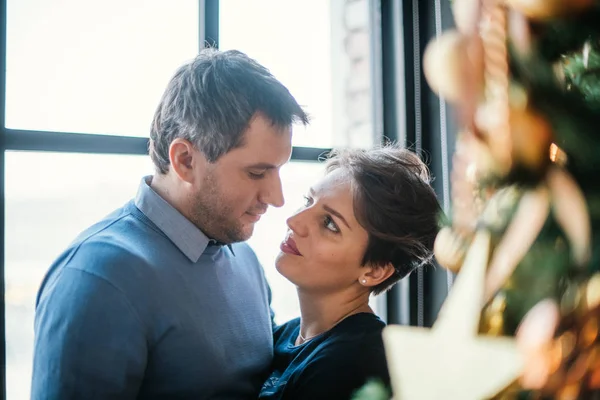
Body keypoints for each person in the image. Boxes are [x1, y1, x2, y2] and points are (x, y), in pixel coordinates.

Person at [31, 48, 309, 399]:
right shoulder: (98, 279)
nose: (276, 197)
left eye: (279, 170)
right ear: (185, 160)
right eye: (257, 172)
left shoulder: (243, 257)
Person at [259, 145, 442, 400]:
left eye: (330, 224)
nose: (295, 221)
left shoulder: (351, 364)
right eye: (307, 202)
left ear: (375, 270)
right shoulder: (288, 334)